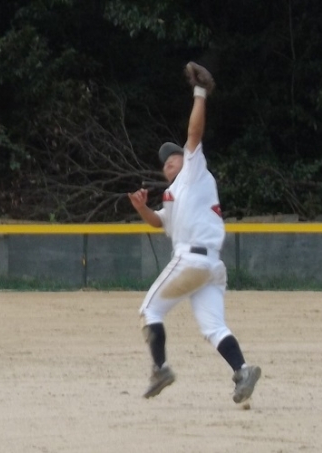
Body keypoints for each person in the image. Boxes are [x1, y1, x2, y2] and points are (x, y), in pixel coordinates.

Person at [127, 62, 261, 404]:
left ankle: (160, 368)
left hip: (193, 260)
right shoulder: (174, 195)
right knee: (214, 327)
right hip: (210, 269)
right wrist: (142, 208)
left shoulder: (194, 170)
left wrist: (200, 93)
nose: (169, 163)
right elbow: (159, 223)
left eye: (173, 157)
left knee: (150, 311)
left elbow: (194, 134)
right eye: (165, 163)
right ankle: (243, 370)